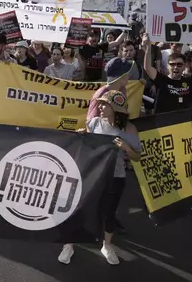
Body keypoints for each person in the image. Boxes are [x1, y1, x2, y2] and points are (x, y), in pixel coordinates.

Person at [58, 90, 141, 266]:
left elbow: (137, 157)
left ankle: (107, 245)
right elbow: (88, 143)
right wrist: (82, 134)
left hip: (115, 175)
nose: (100, 107)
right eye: (100, 103)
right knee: (78, 207)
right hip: (91, 172)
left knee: (108, 212)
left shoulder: (129, 129)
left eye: (105, 104)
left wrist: (126, 148)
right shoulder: (94, 122)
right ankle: (68, 245)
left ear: (116, 108)